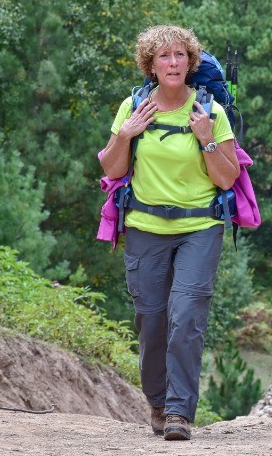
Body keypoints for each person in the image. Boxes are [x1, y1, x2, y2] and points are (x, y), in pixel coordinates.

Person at [99, 25, 239, 441]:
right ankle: (158, 403)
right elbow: (112, 168)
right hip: (145, 228)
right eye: (164, 56)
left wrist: (207, 140)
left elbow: (228, 179)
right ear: (151, 65)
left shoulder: (210, 112)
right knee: (151, 322)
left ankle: (179, 412)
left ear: (190, 62)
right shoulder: (134, 107)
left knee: (186, 317)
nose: (173, 63)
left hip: (199, 228)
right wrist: (126, 134)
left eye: (180, 55)